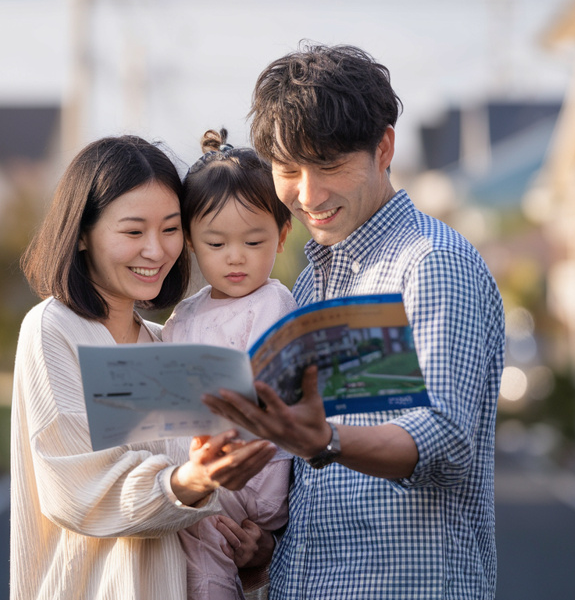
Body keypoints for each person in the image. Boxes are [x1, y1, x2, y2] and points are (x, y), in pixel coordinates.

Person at [203, 44, 505, 599]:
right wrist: (268, 550)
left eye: (330, 165)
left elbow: (445, 440)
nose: (308, 194)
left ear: (383, 148)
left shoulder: (431, 264)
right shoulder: (309, 284)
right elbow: (321, 486)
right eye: (288, 170)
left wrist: (327, 440)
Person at [11, 135, 277, 600]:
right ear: (81, 234)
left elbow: (208, 514)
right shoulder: (54, 327)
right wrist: (192, 480)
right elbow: (75, 489)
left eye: (170, 229)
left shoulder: (166, 341)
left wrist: (254, 549)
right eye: (133, 233)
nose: (156, 251)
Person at [163, 129, 297, 600]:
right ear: (191, 243)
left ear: (281, 236)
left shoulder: (273, 303)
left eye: (254, 241)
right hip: (191, 476)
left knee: (209, 559)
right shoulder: (185, 313)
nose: (235, 258)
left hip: (250, 479)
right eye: (216, 244)